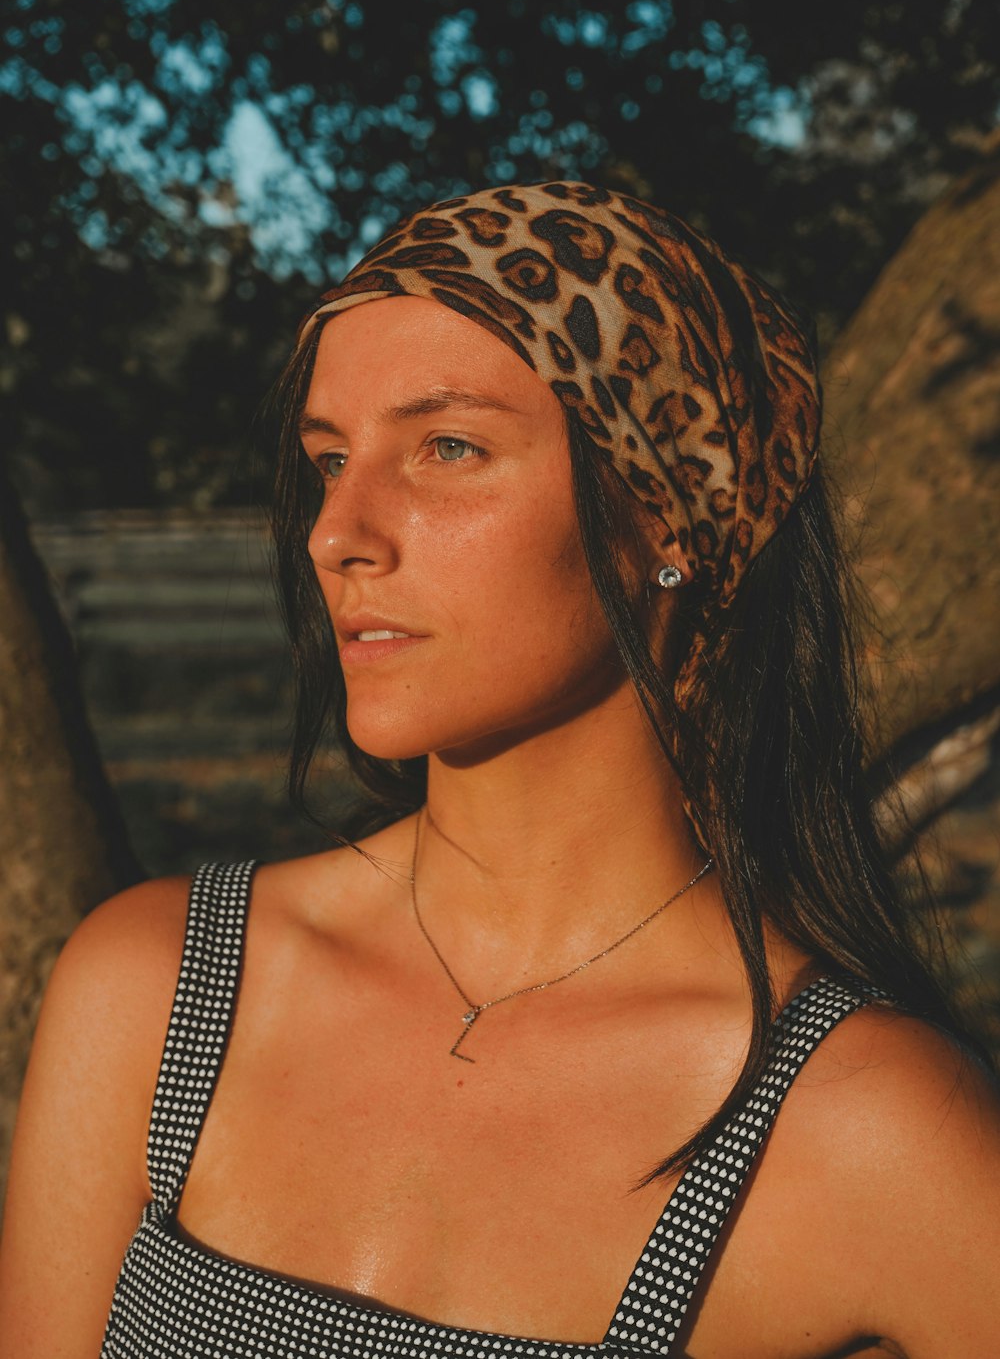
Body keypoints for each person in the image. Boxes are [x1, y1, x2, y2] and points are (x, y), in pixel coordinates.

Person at [1, 181, 998, 1358]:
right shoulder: (157, 994)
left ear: (667, 514)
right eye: (329, 459)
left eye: (447, 446)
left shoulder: (858, 1126)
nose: (339, 531)